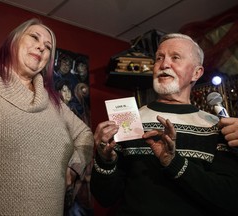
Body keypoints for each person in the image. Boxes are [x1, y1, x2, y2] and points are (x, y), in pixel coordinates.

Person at [0, 18, 94, 216]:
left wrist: (76, 167)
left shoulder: (55, 104)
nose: (41, 47)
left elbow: (85, 134)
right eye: (34, 37)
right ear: (13, 41)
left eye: (48, 47)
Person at [90, 33, 238, 216]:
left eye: (175, 57)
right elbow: (105, 198)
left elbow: (230, 199)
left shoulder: (218, 126)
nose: (164, 64)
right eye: (159, 58)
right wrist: (105, 160)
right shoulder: (129, 120)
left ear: (196, 73)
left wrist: (174, 163)